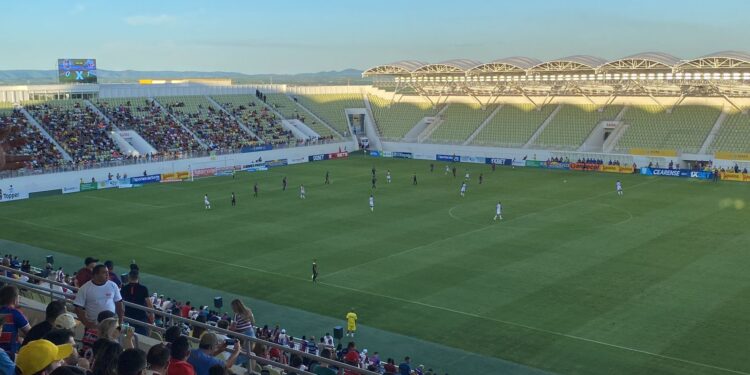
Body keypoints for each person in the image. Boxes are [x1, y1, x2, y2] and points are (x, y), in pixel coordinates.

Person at [74, 264, 124, 330]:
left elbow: (119, 305)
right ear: (95, 275)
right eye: (104, 273)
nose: (107, 275)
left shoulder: (113, 285)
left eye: (107, 272)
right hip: (94, 326)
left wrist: (120, 323)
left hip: (111, 325)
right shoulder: (85, 288)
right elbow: (78, 308)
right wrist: (87, 324)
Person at [120, 270, 154, 336]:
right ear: (138, 278)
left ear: (129, 277)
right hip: (141, 318)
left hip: (128, 317)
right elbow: (150, 305)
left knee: (125, 336)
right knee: (143, 338)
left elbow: (120, 303)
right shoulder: (144, 288)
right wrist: (152, 319)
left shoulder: (124, 288)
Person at [0, 285, 30, 358]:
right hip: (9, 354)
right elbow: (30, 332)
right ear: (14, 299)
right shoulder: (15, 313)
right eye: (18, 296)